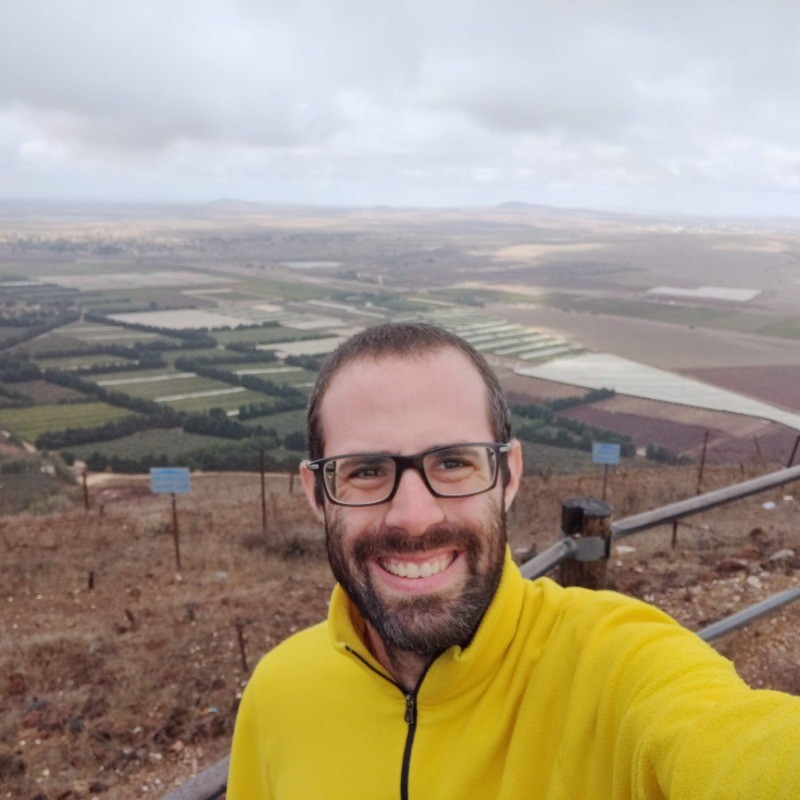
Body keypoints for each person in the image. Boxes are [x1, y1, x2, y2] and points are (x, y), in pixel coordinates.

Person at [227, 322, 800, 799]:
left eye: (452, 463)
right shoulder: (278, 693)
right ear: (316, 493)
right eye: (366, 471)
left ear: (509, 475)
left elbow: (743, 752)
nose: (413, 516)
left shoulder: (615, 668)